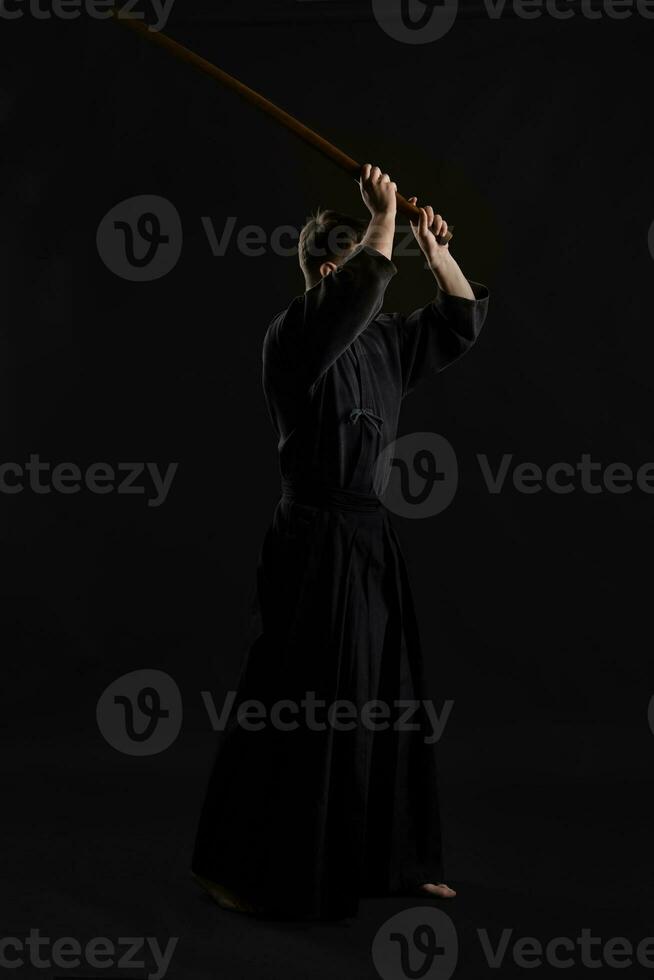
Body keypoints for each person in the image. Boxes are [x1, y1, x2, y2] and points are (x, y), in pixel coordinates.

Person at [192, 164, 489, 919]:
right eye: (369, 262)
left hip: (369, 537)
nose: (386, 279)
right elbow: (355, 293)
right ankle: (245, 865)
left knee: (383, 702)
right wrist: (381, 217)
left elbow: (455, 319)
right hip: (311, 537)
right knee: (295, 703)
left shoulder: (387, 345)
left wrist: (434, 246)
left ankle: (391, 861)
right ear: (333, 268)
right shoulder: (293, 340)